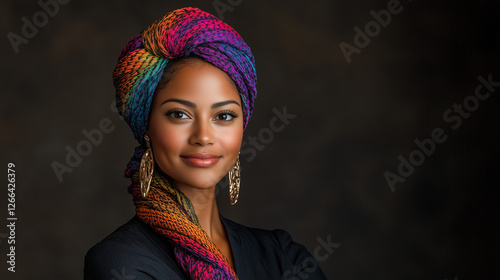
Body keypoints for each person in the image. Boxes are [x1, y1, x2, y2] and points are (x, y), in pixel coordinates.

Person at [84, 7, 326, 280]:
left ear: (242, 127)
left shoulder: (284, 256)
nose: (203, 136)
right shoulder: (120, 262)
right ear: (147, 126)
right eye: (179, 114)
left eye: (223, 116)